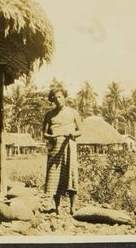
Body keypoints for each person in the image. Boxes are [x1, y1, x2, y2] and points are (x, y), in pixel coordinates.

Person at [43, 86, 81, 215]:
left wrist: (72, 134)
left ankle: (73, 207)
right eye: (55, 97)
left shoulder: (73, 113)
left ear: (65, 97)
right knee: (55, 176)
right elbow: (44, 134)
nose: (58, 99)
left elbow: (80, 131)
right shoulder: (49, 115)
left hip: (69, 146)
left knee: (72, 175)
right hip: (55, 148)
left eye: (60, 97)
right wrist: (52, 136)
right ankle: (57, 207)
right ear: (52, 99)